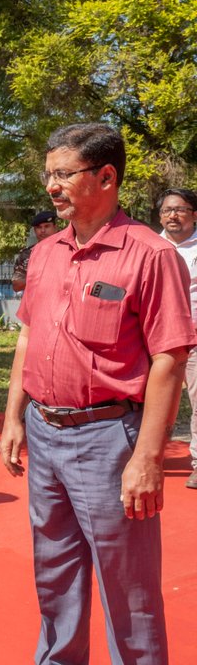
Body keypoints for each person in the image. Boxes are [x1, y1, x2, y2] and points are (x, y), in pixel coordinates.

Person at [0, 123, 194, 665]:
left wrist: (148, 457)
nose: (51, 187)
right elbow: (29, 335)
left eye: (64, 174)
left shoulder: (151, 255)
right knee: (54, 574)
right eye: (48, 175)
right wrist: (14, 417)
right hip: (44, 432)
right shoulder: (45, 253)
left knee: (129, 588)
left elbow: (169, 357)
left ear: (106, 177)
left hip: (109, 439)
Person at [156, 187, 197, 490]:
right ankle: (149, 456)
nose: (173, 215)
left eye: (180, 209)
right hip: (157, 341)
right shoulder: (148, 247)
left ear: (194, 215)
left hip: (195, 338)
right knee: (150, 402)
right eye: (167, 210)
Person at [11, 210, 59, 293]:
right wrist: (42, 277)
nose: (43, 230)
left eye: (47, 226)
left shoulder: (67, 250)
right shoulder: (27, 254)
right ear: (34, 230)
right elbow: (17, 285)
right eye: (39, 227)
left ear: (55, 227)